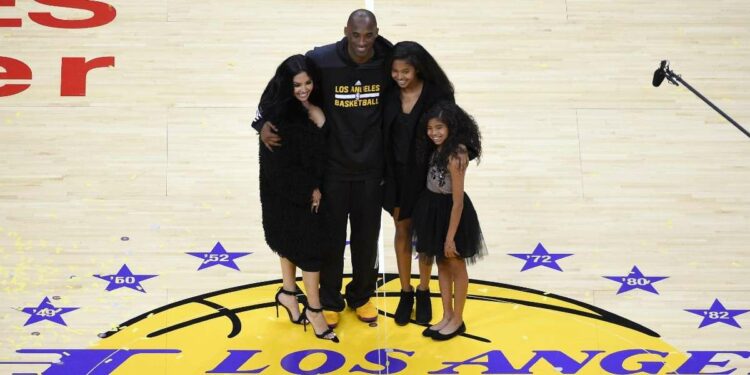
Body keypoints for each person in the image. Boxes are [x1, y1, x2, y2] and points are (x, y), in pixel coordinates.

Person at [253, 9, 392, 327]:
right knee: (330, 239)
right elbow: (285, 79)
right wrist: (262, 122)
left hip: (371, 170)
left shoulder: (388, 58)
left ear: (376, 33)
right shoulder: (321, 59)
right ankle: (329, 300)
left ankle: (361, 295)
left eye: (368, 35)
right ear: (345, 31)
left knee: (366, 239)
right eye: (355, 34)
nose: (361, 42)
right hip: (331, 169)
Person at [257, 54, 337, 342]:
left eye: (307, 83)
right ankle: (315, 310)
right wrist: (310, 190)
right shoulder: (277, 118)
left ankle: (289, 294)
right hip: (288, 192)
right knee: (309, 252)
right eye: (296, 85)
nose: (303, 89)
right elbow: (282, 165)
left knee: (291, 245)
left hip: (308, 187)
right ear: (285, 85)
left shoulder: (313, 104)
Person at [382, 41, 456, 326]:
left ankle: (424, 291)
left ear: (418, 69)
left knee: (424, 236)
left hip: (426, 177)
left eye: (406, 71)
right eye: (395, 71)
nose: (400, 77)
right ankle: (406, 291)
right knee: (402, 230)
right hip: (394, 175)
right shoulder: (388, 93)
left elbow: (452, 132)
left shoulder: (438, 94)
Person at [411, 101, 485, 341]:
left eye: (439, 127)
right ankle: (446, 314)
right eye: (430, 128)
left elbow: (458, 201)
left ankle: (458, 319)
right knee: (441, 265)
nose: (434, 133)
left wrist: (450, 236)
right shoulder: (437, 149)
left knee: (455, 265)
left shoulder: (456, 155)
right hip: (432, 210)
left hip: (452, 215)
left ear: (451, 127)